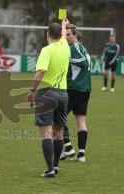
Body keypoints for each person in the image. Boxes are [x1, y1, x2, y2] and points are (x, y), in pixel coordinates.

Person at [25, 19, 70, 178]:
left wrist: (32, 90)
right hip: (63, 94)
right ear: (61, 34)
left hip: (47, 94)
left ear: (47, 34)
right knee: (58, 133)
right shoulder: (65, 46)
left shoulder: (47, 50)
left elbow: (41, 71)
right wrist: (64, 24)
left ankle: (50, 170)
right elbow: (64, 34)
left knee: (46, 133)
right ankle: (56, 167)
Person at [60, 24, 92, 163]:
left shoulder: (75, 47)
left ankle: (68, 148)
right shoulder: (81, 47)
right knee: (81, 121)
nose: (66, 37)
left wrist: (68, 59)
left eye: (69, 35)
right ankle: (81, 154)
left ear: (75, 35)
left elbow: (84, 63)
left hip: (74, 89)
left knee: (58, 117)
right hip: (85, 90)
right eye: (65, 34)